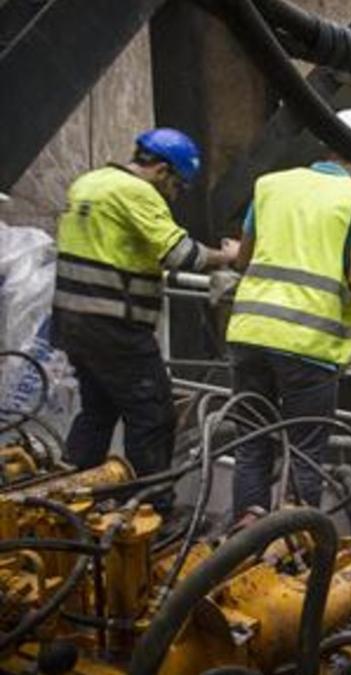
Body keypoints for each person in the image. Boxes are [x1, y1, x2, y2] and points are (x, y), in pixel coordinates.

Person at [53, 128, 240, 511]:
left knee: (98, 411)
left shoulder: (89, 182)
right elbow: (181, 255)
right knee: (153, 414)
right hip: (114, 327)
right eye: (177, 184)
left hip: (72, 320)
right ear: (161, 169)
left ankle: (66, 501)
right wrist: (229, 257)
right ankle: (148, 510)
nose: (174, 194)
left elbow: (116, 246)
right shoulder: (136, 192)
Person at [225, 109, 351, 520]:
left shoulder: (270, 185)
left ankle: (246, 538)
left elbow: (243, 259)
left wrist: (234, 253)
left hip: (250, 334)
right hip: (308, 344)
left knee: (253, 442)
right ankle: (293, 547)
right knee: (304, 450)